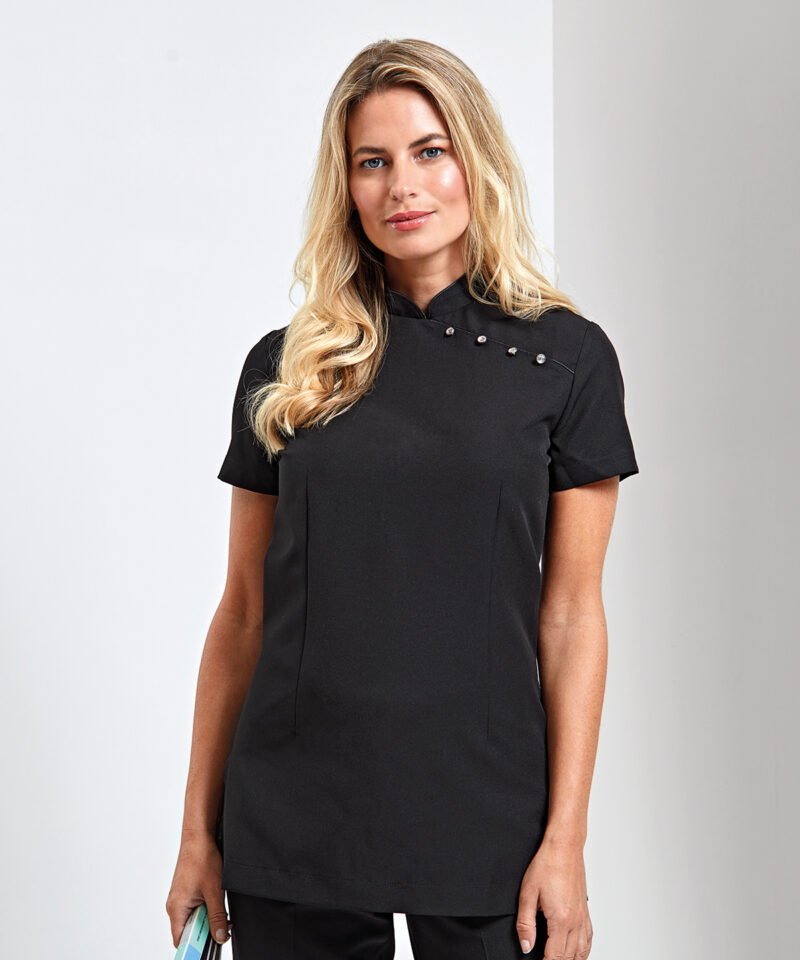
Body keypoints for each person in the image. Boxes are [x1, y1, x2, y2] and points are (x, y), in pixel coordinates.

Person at [166, 37, 639, 960]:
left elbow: (572, 616)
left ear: (475, 159)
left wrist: (567, 841)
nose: (402, 187)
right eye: (372, 162)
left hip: (488, 819)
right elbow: (245, 613)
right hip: (293, 821)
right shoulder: (289, 366)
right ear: (345, 186)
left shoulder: (566, 359)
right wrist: (196, 832)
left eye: (429, 151)